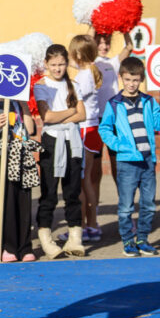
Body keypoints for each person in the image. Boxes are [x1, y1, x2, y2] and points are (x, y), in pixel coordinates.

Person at [98, 57, 160, 256]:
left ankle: (143, 239)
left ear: (141, 79)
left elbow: (159, 124)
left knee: (149, 204)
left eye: (135, 80)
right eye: (128, 79)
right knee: (126, 206)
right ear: (121, 78)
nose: (131, 84)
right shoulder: (114, 103)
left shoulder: (149, 101)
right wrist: (118, 145)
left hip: (147, 161)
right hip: (127, 162)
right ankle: (128, 241)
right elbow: (104, 129)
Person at [33, 44, 86, 259]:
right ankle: (46, 237)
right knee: (49, 191)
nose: (58, 68)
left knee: (72, 190)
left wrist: (62, 116)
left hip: (72, 140)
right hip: (52, 141)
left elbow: (82, 115)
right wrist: (71, 110)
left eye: (62, 64)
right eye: (53, 64)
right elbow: (47, 117)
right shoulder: (41, 85)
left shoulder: (74, 85)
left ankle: (75, 237)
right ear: (46, 63)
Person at [0, 97, 38, 262]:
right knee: (6, 202)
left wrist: (24, 106)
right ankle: (8, 246)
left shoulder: (21, 105)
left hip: (23, 157)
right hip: (5, 156)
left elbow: (30, 131)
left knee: (24, 202)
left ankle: (25, 246)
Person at [68, 34, 103, 242]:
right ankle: (90, 225)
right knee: (86, 179)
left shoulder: (84, 76)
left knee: (82, 180)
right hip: (91, 129)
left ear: (79, 54)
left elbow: (74, 99)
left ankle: (85, 226)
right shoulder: (88, 71)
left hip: (85, 129)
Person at [93, 30, 133, 189]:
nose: (104, 46)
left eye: (107, 43)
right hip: (95, 118)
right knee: (95, 163)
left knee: (116, 160)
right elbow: (86, 43)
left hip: (113, 117)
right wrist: (93, 27)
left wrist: (125, 28)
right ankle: (94, 202)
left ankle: (123, 198)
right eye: (100, 43)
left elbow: (129, 47)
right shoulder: (89, 62)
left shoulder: (113, 63)